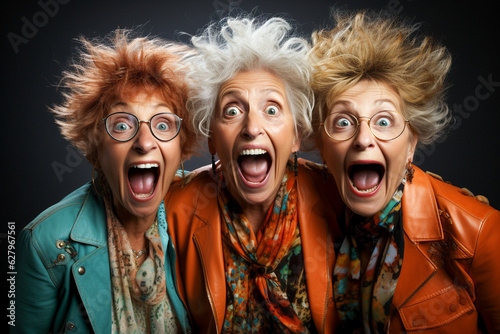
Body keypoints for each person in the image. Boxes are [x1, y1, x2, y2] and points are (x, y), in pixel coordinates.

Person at [309, 11, 500, 333]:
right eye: (343, 122)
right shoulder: (306, 205)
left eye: (384, 122)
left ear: (412, 143)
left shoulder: (478, 231)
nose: (364, 139)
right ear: (322, 146)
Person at [165, 16, 343, 333]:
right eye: (232, 111)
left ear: (296, 136)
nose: (251, 128)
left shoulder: (336, 198)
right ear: (212, 140)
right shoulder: (176, 209)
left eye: (271, 109)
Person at [15, 30, 197, 333]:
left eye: (163, 124)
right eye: (122, 124)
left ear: (181, 146)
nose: (144, 142)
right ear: (95, 146)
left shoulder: (203, 217)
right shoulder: (42, 243)